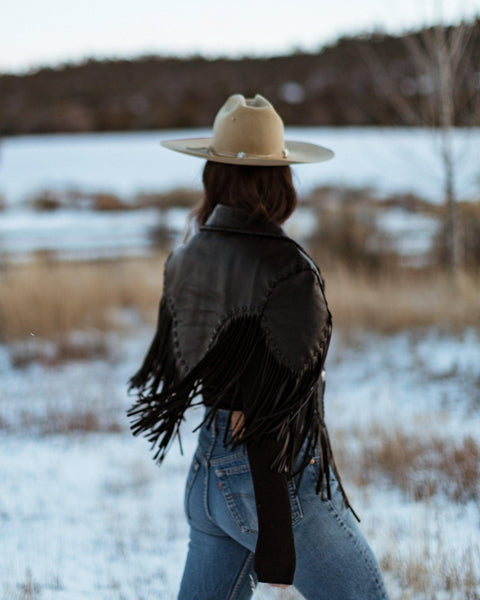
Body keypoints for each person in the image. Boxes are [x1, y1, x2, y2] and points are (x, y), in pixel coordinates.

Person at [126, 94, 391, 599]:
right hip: (274, 481)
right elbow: (269, 411)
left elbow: (189, 367)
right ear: (280, 179)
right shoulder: (289, 269)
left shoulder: (184, 257)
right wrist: (275, 537)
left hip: (206, 476)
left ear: (213, 176)